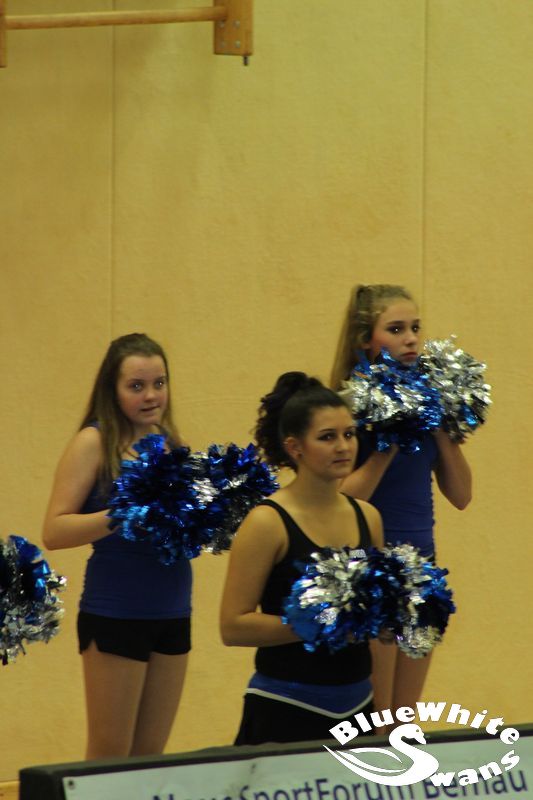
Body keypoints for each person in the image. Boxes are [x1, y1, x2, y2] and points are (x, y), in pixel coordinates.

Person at [42, 333, 192, 759]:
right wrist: (121, 514)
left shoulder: (170, 441)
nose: (151, 396)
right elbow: (54, 531)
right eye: (136, 386)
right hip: (116, 612)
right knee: (109, 756)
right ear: (113, 389)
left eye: (159, 383)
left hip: (173, 610)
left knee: (149, 757)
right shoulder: (94, 441)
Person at [330, 284, 472, 721]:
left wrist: (440, 427)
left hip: (422, 568)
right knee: (374, 721)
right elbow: (340, 500)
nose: (410, 339)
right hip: (371, 568)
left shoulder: (429, 405)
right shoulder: (348, 409)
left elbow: (462, 495)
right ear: (365, 340)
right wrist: (388, 443)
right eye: (395, 329)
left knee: (404, 721)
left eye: (415, 328)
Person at [220, 373, 383, 745]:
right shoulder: (267, 522)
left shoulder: (369, 517)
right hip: (286, 707)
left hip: (358, 705)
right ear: (295, 447)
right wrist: (317, 623)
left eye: (349, 434)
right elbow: (233, 626)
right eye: (327, 437)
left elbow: (373, 614)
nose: (343, 446)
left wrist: (393, 620)